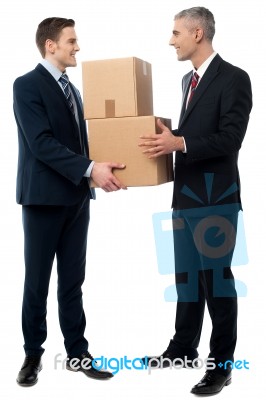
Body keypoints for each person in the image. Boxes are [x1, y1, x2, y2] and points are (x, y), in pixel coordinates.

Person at [139, 7, 252, 395]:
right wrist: (170, 133)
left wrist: (180, 141)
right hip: (185, 197)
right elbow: (194, 133)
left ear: (198, 34)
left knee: (216, 282)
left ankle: (221, 367)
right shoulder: (189, 79)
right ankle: (183, 347)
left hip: (216, 198)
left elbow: (230, 139)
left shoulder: (235, 78)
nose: (171, 40)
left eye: (176, 33)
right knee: (186, 279)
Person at [13, 17, 126, 387]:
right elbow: (41, 143)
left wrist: (103, 169)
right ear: (50, 45)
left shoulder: (73, 91)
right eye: (71, 41)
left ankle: (78, 353)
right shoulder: (27, 85)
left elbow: (80, 147)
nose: (77, 47)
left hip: (77, 199)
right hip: (44, 200)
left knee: (73, 282)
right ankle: (32, 355)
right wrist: (91, 168)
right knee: (37, 282)